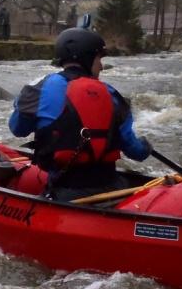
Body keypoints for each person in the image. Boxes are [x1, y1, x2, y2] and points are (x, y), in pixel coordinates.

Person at [9, 27, 152, 201]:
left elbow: (17, 128)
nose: (101, 66)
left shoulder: (41, 89)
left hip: (65, 192)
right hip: (113, 189)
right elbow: (136, 152)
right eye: (99, 58)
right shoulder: (112, 95)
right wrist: (145, 146)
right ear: (86, 57)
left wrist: (22, 105)